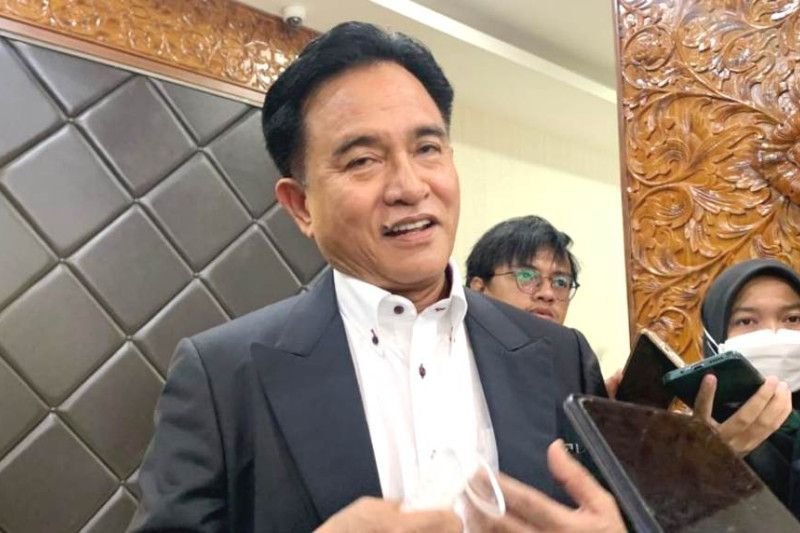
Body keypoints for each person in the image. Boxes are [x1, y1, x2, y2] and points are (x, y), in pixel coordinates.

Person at [128, 21, 625, 532]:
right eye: (363, 160)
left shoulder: (560, 355)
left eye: (427, 148)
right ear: (301, 206)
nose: (409, 187)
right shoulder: (221, 377)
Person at [700, 258, 800, 515]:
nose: (773, 333)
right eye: (746, 321)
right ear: (714, 338)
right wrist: (705, 468)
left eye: (792, 318)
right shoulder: (685, 440)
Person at [466, 215, 578, 325]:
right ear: (479, 290)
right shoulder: (458, 336)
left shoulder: (575, 338)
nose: (548, 294)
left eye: (561, 282)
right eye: (526, 275)